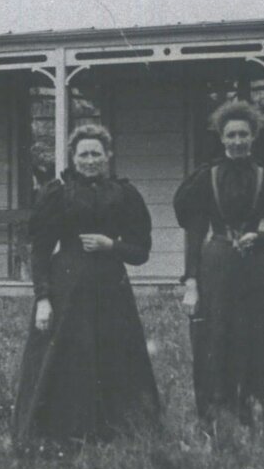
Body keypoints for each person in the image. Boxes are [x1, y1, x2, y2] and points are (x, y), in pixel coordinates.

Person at [11, 122, 162, 446]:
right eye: (83, 154)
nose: (90, 160)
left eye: (96, 154)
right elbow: (39, 250)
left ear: (107, 156)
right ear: (73, 157)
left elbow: (141, 252)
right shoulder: (57, 194)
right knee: (67, 359)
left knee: (116, 357)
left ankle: (118, 435)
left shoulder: (124, 194)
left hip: (112, 290)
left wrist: (112, 246)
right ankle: (62, 436)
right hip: (68, 290)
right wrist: (43, 298)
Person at [173, 99, 264, 420]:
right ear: (221, 137)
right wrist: (191, 282)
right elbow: (194, 232)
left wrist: (259, 238)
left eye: (243, 134)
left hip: (255, 269)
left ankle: (263, 406)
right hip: (215, 264)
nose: (237, 141)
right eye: (230, 135)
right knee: (216, 334)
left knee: (260, 334)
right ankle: (219, 409)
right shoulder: (207, 177)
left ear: (254, 135)